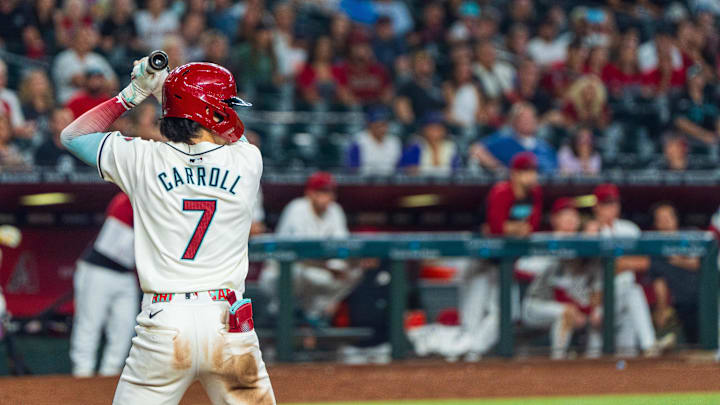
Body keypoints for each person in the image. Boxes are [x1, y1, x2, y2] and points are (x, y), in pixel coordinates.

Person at [60, 58, 274, 403]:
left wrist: (138, 91)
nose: (231, 113)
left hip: (164, 321)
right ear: (212, 110)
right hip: (230, 325)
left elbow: (72, 136)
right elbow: (234, 133)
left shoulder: (142, 158)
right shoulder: (247, 161)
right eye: (226, 105)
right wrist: (167, 88)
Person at [586, 184, 664, 357]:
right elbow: (597, 269)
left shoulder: (629, 228)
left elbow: (645, 262)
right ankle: (649, 343)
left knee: (627, 358)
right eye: (607, 203)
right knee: (592, 361)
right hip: (598, 301)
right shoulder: (590, 231)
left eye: (614, 202)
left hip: (624, 302)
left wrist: (618, 264)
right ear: (596, 206)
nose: (612, 207)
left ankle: (649, 345)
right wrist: (621, 263)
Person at [521, 198, 603, 359]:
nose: (571, 219)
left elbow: (592, 282)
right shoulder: (544, 242)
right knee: (566, 312)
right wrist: (554, 252)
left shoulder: (583, 247)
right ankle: (558, 362)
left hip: (570, 305)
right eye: (565, 215)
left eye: (574, 215)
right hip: (536, 304)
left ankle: (594, 363)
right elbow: (521, 267)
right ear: (554, 219)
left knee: (584, 313)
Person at [70, 193, 140, 377]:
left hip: (126, 275)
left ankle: (109, 375)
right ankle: (82, 372)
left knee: (125, 326)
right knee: (90, 323)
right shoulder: (126, 199)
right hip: (98, 269)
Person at [649, 202, 700, 344]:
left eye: (668, 217)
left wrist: (679, 261)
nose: (665, 222)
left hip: (706, 298)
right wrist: (662, 309)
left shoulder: (692, 235)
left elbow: (701, 264)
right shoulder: (656, 249)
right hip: (681, 304)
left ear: (676, 219)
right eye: (661, 219)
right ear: (656, 224)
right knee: (688, 342)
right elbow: (659, 282)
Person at [470, 102, 557, 174]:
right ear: (514, 121)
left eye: (531, 118)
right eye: (524, 119)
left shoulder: (545, 147)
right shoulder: (504, 141)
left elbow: (556, 169)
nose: (529, 121)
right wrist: (497, 167)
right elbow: (476, 149)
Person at [52, 26, 117, 104]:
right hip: (70, 102)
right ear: (73, 40)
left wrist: (93, 82)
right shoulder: (64, 58)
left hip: (95, 103)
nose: (85, 40)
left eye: (87, 38)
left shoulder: (98, 59)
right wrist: (98, 82)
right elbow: (77, 81)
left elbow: (112, 83)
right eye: (81, 38)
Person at [346, 106, 402, 175]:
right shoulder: (358, 140)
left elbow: (400, 167)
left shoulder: (394, 141)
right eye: (378, 125)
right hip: (364, 182)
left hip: (390, 182)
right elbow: (353, 168)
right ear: (369, 124)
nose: (381, 128)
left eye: (384, 124)